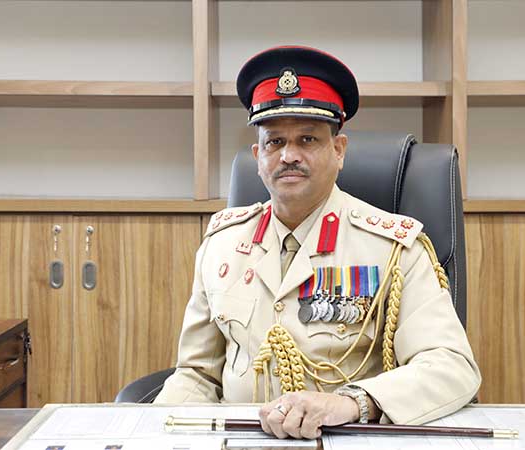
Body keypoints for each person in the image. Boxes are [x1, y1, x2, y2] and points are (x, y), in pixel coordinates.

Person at [155, 45, 481, 440]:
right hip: (239, 438)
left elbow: (450, 366)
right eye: (275, 142)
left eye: (307, 139)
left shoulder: (394, 249)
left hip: (345, 437)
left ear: (338, 151)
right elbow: (197, 375)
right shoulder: (221, 244)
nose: (288, 156)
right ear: (258, 157)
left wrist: (354, 403)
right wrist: (155, 432)